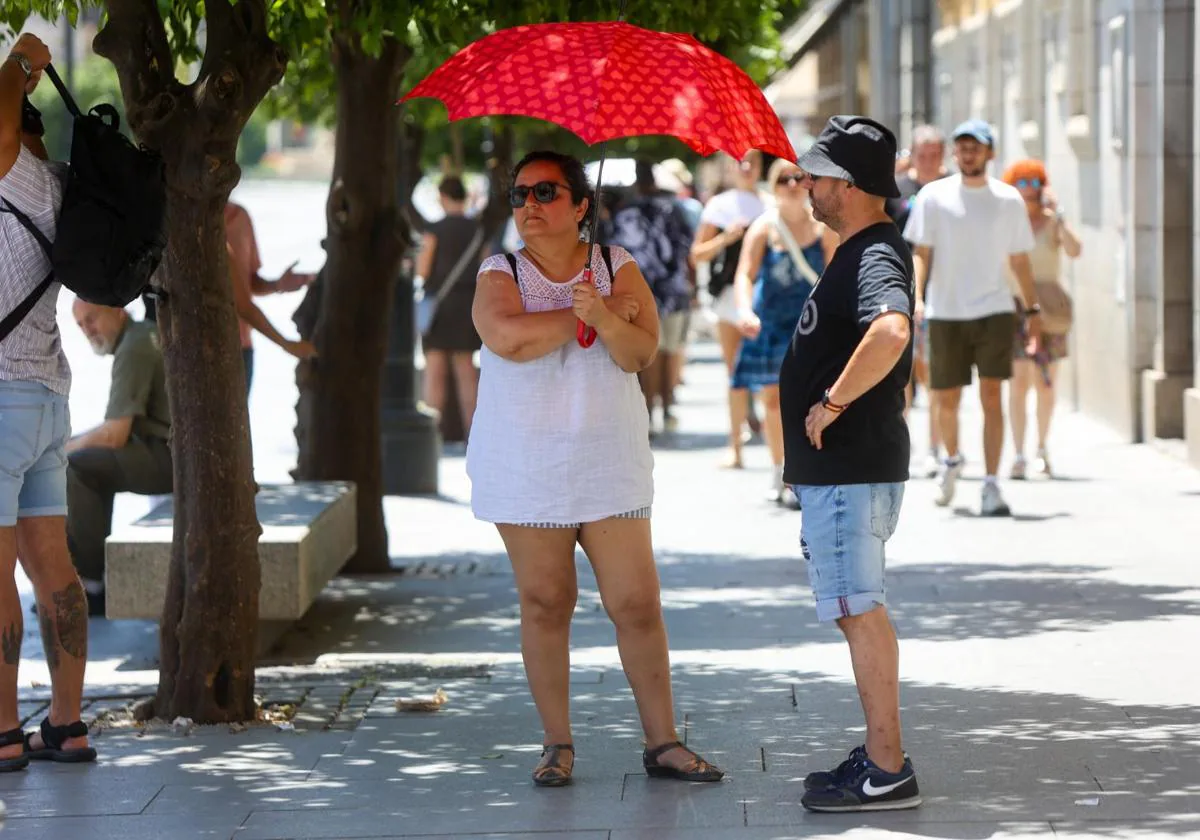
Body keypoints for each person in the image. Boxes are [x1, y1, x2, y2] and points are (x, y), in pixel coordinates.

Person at [468, 150, 723, 787]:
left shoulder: (615, 265)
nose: (529, 206)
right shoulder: (499, 270)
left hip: (608, 459)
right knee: (547, 601)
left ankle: (662, 742)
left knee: (636, 603)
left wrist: (607, 314)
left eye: (546, 193)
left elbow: (641, 352)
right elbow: (508, 339)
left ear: (582, 206)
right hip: (527, 463)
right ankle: (558, 745)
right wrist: (583, 317)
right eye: (520, 195)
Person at [783, 115, 919, 812]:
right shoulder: (858, 248)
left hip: (850, 470)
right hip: (844, 474)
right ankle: (879, 754)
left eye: (816, 176)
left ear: (851, 185)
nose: (806, 186)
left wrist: (831, 403)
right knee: (856, 609)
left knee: (859, 611)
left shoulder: (873, 254)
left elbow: (891, 329)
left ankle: (887, 769)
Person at [0, 33, 97, 771]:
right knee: (53, 568)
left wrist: (18, 63)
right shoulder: (60, 182)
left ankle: (3, 732)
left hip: (1, 397)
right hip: (47, 395)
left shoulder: (10, 169)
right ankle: (67, 725)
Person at [903, 120, 1042, 516]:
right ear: (954, 152)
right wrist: (917, 298)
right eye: (962, 146)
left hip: (995, 309)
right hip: (946, 311)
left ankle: (991, 484)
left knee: (992, 396)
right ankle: (951, 459)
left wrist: (1032, 309)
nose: (968, 153)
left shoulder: (1008, 199)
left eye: (975, 147)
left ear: (990, 153)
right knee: (945, 398)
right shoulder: (933, 196)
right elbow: (921, 253)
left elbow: (1019, 260)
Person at [731, 158, 837, 506]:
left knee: (810, 403)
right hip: (772, 326)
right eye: (783, 179)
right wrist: (744, 310)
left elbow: (837, 277)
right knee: (774, 401)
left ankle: (804, 469)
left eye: (798, 178)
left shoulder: (824, 229)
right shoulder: (764, 227)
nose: (792, 185)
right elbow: (745, 274)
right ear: (773, 186)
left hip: (812, 328)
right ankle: (780, 468)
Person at [66, 301, 172, 616]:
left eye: (92, 319)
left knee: (77, 465)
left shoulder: (134, 348)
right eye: (80, 325)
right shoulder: (140, 335)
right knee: (76, 453)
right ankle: (86, 572)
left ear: (117, 310)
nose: (88, 330)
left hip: (173, 459)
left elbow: (115, 435)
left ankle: (91, 584)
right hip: (176, 451)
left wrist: (61, 451)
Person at [1001, 160, 1081, 479]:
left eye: (1034, 183)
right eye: (1020, 183)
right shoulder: (1007, 224)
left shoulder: (1053, 223)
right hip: (1016, 308)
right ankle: (1019, 453)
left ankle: (1042, 448)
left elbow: (1075, 250)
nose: (1028, 191)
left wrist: (1059, 215)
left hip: (1049, 311)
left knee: (1046, 383)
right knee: (1019, 382)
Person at [691, 151, 767, 466]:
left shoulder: (771, 204)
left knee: (769, 372)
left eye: (752, 161)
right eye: (740, 161)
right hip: (728, 297)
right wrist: (726, 238)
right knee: (735, 371)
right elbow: (697, 254)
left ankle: (765, 427)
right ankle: (735, 445)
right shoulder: (720, 206)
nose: (746, 167)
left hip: (766, 297)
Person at [609, 160, 694, 434]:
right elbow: (685, 247)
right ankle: (667, 408)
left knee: (649, 353)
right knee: (669, 351)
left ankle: (649, 412)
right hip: (672, 289)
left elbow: (613, 252)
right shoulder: (673, 209)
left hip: (637, 289)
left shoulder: (624, 214)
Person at [885, 126, 947, 478]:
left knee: (935, 373)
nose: (927, 161)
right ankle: (902, 444)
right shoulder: (897, 189)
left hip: (945, 290)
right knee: (902, 373)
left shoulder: (951, 188)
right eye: (922, 154)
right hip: (901, 289)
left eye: (934, 154)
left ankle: (936, 446)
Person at [414, 175, 485, 438]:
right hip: (468, 305)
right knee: (467, 373)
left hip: (440, 307)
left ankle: (431, 438)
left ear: (442, 197)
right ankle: (474, 435)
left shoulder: (434, 229)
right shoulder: (477, 230)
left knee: (435, 374)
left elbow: (422, 270)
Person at [224, 202, 318, 393]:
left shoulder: (240, 216)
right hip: (206, 347)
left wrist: (277, 285)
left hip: (241, 347)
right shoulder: (200, 223)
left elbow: (247, 284)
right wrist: (286, 344)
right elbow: (242, 305)